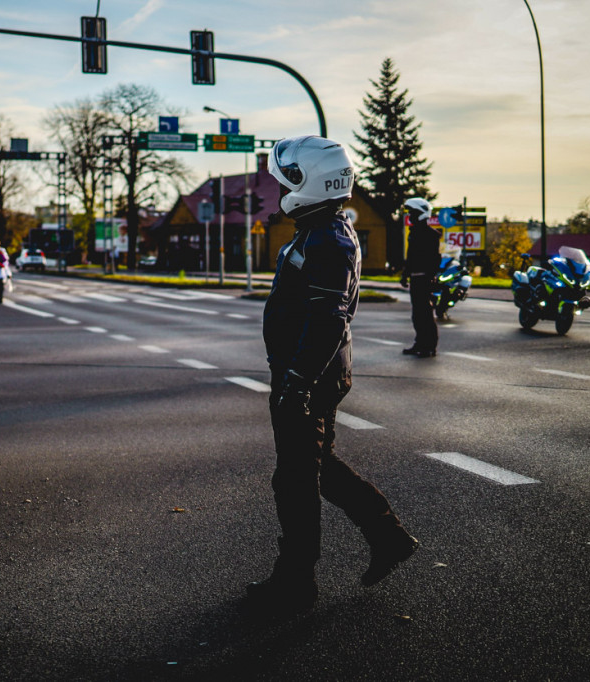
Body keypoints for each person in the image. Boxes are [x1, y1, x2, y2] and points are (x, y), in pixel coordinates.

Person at [247, 135, 418, 616]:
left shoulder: (326, 237)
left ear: (309, 182)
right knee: (316, 468)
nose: (279, 187)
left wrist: (296, 383)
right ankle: (388, 537)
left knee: (295, 479)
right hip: (313, 373)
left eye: (286, 178)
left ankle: (296, 583)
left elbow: (328, 320)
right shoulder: (322, 228)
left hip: (310, 377)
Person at [400, 197, 442, 357]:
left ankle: (430, 345)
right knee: (417, 314)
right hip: (415, 279)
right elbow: (411, 258)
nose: (410, 216)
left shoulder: (431, 235)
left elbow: (434, 259)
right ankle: (419, 343)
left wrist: (431, 278)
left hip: (424, 279)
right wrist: (405, 275)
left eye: (413, 212)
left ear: (421, 214)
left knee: (425, 313)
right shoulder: (414, 233)